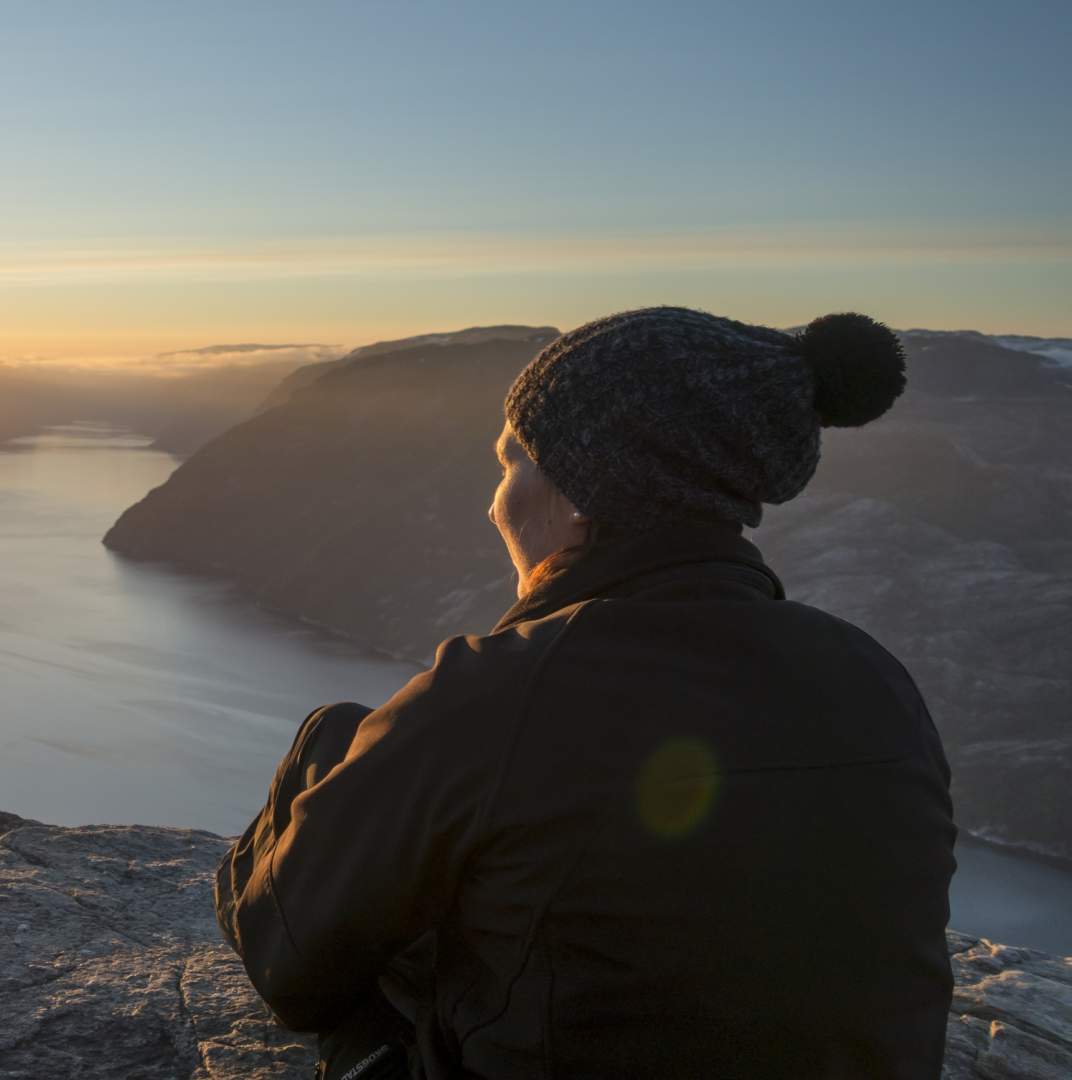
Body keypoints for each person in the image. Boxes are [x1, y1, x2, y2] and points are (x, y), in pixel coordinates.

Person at [214, 307, 957, 1079]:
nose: (494, 502)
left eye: (510, 465)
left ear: (581, 494)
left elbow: (288, 962)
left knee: (333, 743)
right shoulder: (875, 677)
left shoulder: (503, 690)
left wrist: (272, 842)